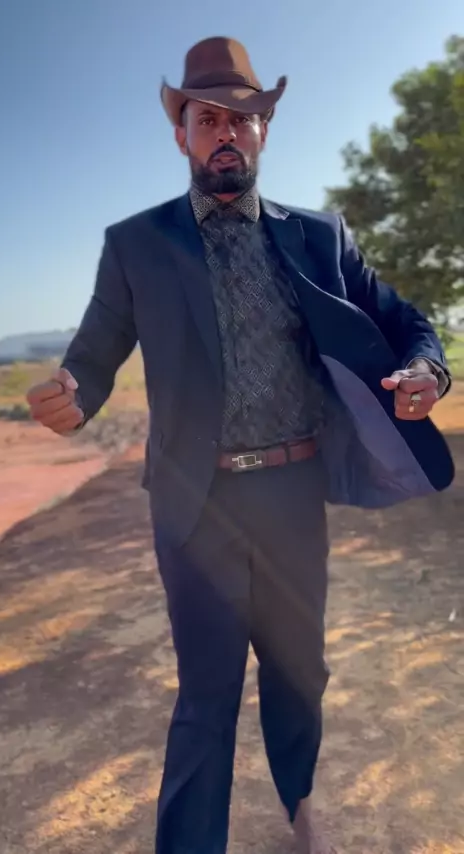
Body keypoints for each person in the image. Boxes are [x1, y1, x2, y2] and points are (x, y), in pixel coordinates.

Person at [26, 37, 454, 854]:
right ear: (181, 136)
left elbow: (404, 320)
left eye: (242, 119)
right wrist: (72, 396)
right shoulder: (136, 244)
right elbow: (94, 355)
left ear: (264, 131)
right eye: (207, 119)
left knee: (300, 672)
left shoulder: (320, 236)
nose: (226, 132)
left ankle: (300, 804)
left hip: (293, 493)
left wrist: (427, 370)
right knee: (206, 692)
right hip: (197, 502)